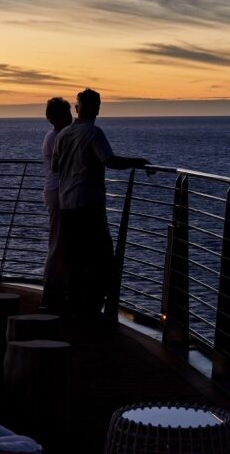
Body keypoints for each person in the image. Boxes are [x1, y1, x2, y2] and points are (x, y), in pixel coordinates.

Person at [52, 88, 149, 321]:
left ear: (77, 109)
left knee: (74, 259)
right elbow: (109, 161)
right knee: (102, 258)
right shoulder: (94, 134)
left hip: (66, 205)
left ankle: (75, 308)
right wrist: (138, 162)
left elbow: (55, 167)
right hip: (89, 204)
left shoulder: (63, 135)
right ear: (97, 109)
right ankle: (93, 308)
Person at [41, 97, 72, 313]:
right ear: (60, 116)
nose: (72, 116)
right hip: (58, 192)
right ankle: (51, 294)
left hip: (54, 192)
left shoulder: (52, 136)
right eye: (68, 112)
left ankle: (56, 292)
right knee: (58, 243)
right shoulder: (59, 137)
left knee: (59, 242)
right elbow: (59, 166)